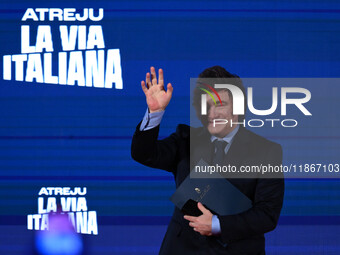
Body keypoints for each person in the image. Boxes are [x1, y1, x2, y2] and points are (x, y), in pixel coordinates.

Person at [131, 66, 284, 255]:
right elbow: (143, 153)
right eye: (206, 105)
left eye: (220, 105)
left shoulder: (266, 151)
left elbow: (267, 215)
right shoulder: (185, 140)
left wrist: (217, 225)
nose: (211, 114)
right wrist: (154, 112)